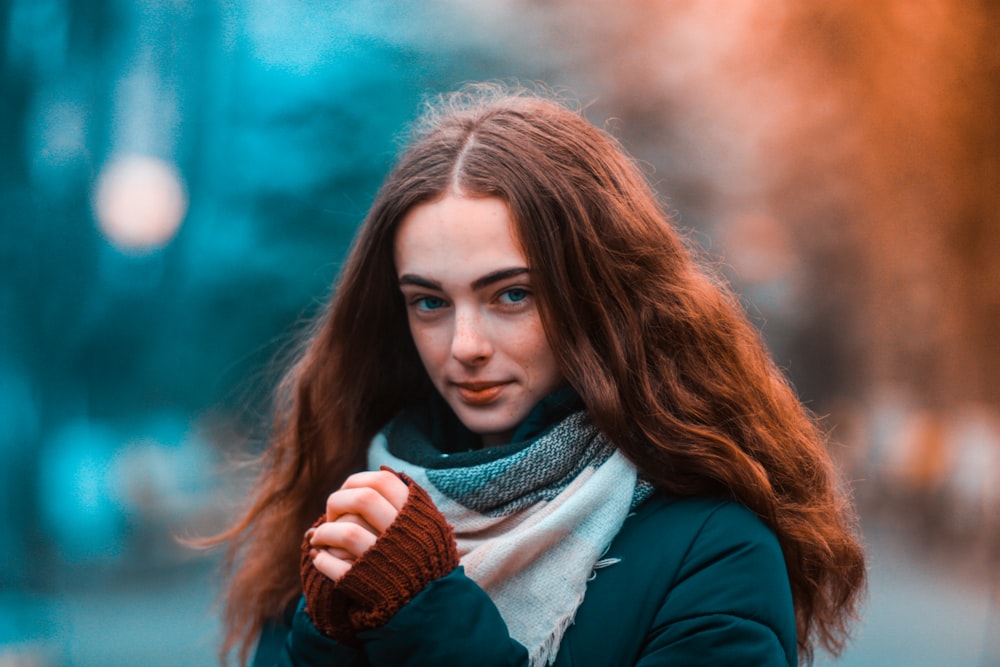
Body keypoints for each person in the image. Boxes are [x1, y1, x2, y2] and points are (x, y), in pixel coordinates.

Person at [209, 84, 866, 667]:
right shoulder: (346, 513)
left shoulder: (715, 546)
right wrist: (327, 640)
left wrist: (428, 617)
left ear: (599, 295)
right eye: (429, 301)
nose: (465, 345)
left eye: (512, 294)